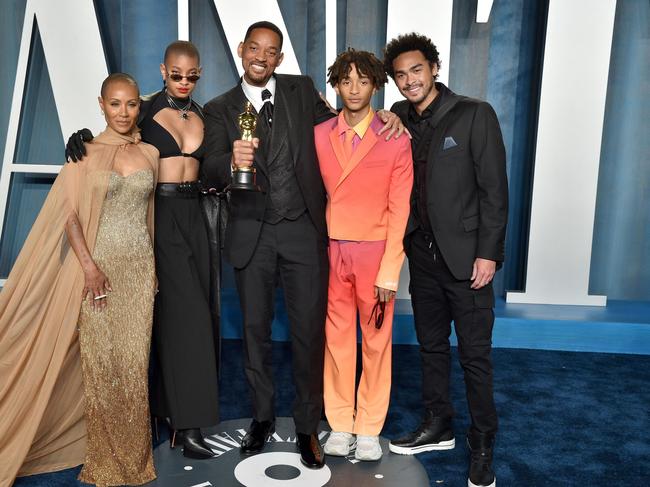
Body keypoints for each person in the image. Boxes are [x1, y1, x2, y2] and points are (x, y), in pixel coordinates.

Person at [202, 21, 405, 469]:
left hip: (304, 233)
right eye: (254, 48)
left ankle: (310, 426)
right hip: (251, 232)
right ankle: (260, 417)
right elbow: (208, 167)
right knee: (254, 332)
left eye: (271, 51)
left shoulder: (300, 89)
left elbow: (346, 124)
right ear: (241, 50)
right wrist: (226, 161)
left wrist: (391, 114)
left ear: (279, 58)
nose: (261, 56)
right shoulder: (218, 108)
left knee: (310, 333)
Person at [0, 73, 159, 487]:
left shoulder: (152, 153)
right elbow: (70, 217)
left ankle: (135, 459)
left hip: (139, 270)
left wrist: (153, 271)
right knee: (102, 361)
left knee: (134, 363)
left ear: (139, 106)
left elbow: (150, 218)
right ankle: (105, 459)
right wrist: (89, 267)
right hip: (98, 269)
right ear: (101, 104)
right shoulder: (83, 152)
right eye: (115, 103)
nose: (123, 112)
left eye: (131, 104)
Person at [65, 41, 221, 459]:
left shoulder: (208, 114)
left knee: (192, 318)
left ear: (199, 74)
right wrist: (80, 137)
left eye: (192, 75)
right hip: (160, 217)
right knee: (182, 319)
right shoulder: (145, 111)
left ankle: (171, 414)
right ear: (162, 70)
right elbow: (114, 139)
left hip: (199, 217)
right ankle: (187, 427)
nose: (184, 82)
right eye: (176, 74)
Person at [383, 33, 508, 487]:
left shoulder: (475, 114)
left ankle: (483, 442)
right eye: (400, 75)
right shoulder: (396, 116)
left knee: (475, 357)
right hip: (423, 257)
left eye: (416, 70)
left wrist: (488, 253)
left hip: (469, 260)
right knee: (431, 348)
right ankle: (439, 425)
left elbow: (494, 190)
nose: (409, 80)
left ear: (434, 68)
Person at [314, 49, 413, 461]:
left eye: (363, 81)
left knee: (376, 342)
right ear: (336, 85)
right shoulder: (320, 134)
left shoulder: (395, 137)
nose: (354, 89)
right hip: (333, 250)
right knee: (336, 341)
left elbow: (401, 208)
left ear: (376, 85)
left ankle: (369, 427)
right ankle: (340, 423)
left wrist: (391, 270)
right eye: (346, 80)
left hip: (376, 255)